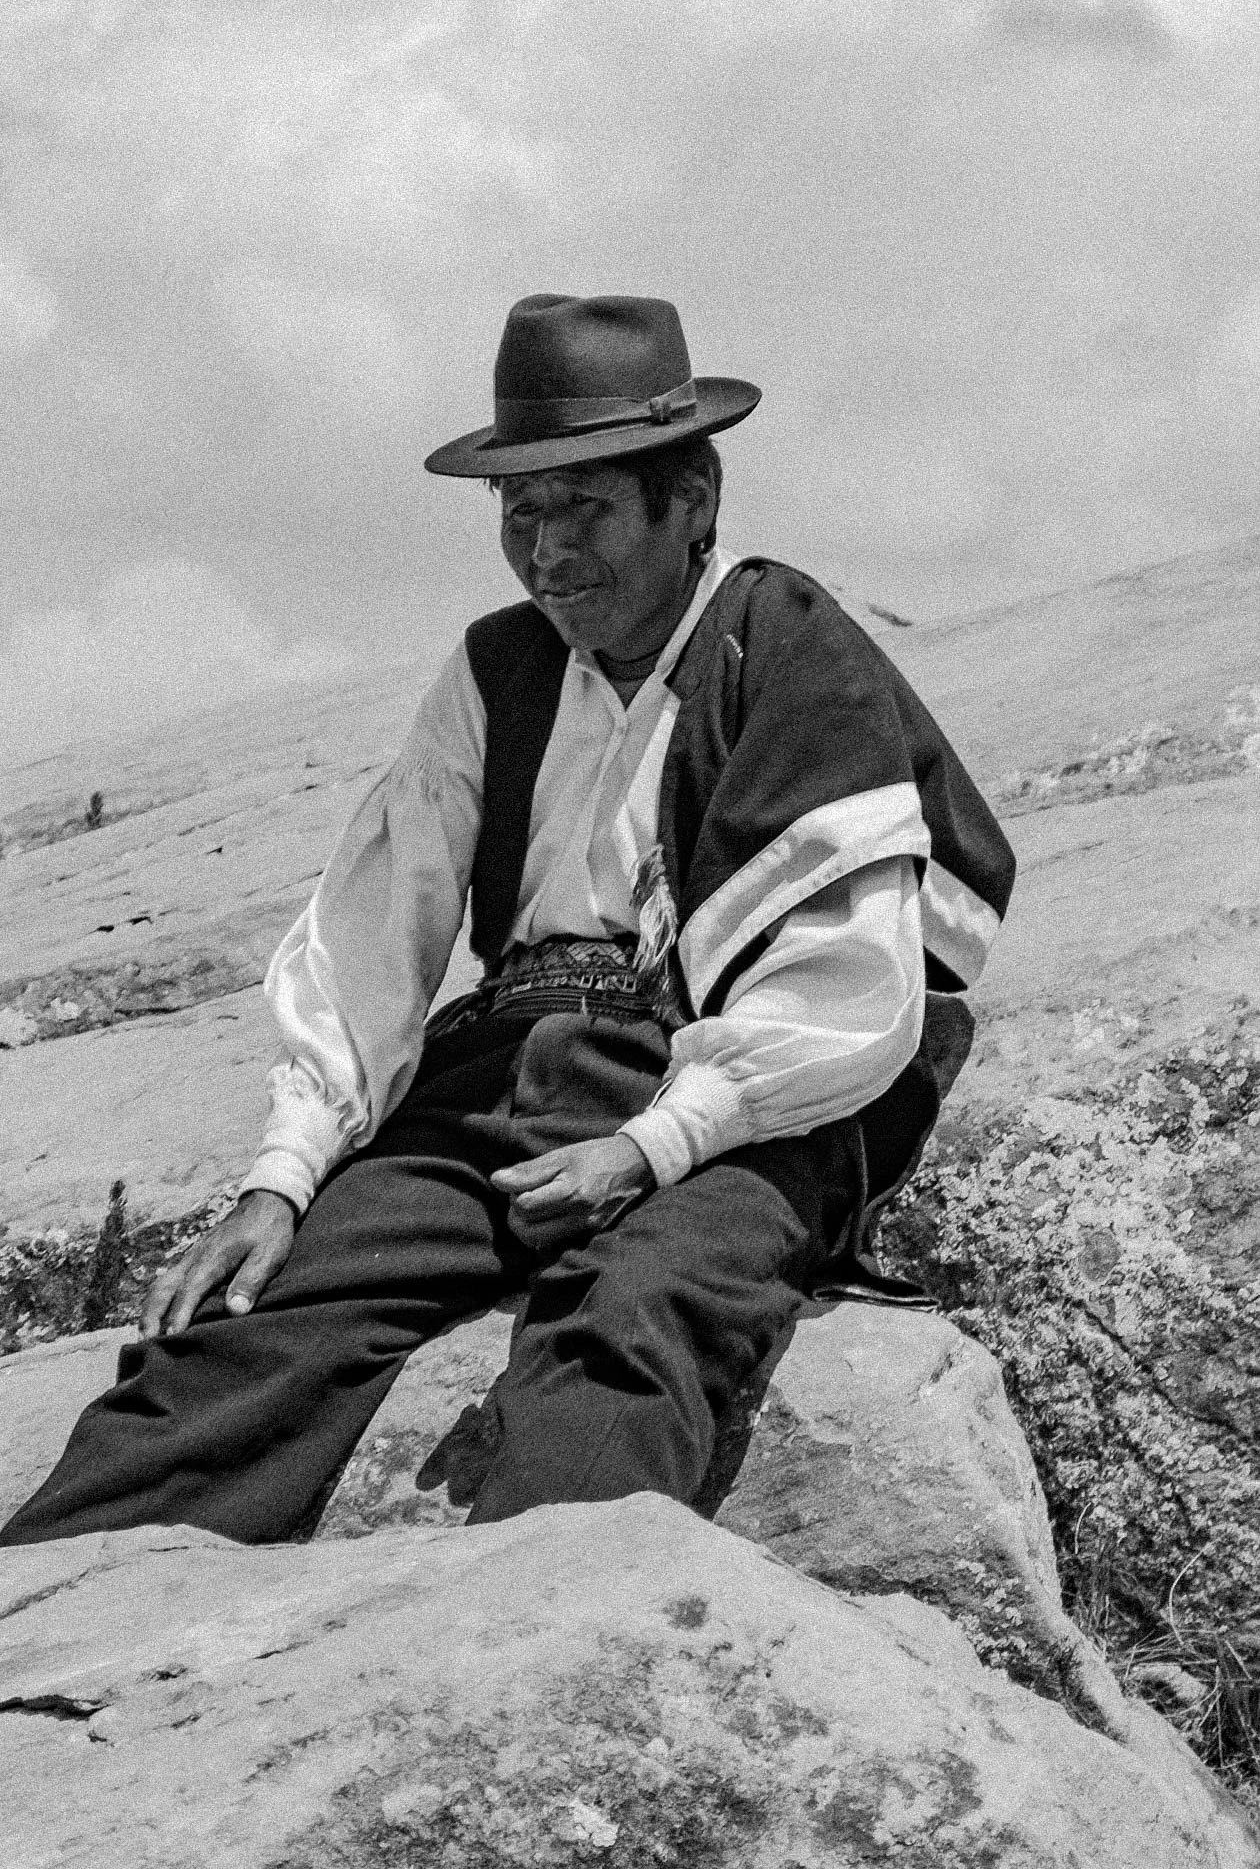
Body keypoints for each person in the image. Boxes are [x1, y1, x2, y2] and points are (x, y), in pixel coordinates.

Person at [1, 293, 1015, 1548]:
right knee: (259, 1316)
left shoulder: (785, 646)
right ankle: (58, 1611)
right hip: (506, 1065)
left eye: (584, 505)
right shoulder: (498, 668)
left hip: (734, 1091)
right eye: (520, 514)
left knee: (639, 1313)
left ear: (692, 495)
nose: (547, 554)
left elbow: (846, 985)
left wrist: (648, 1148)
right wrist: (283, 1175)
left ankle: (530, 1637)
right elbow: (380, 931)